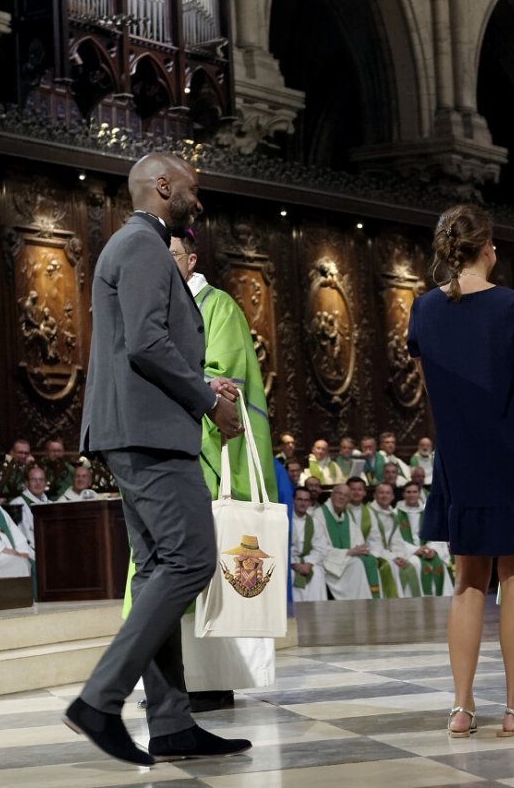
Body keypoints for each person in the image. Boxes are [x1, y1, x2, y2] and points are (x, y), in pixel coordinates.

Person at [68, 152, 249, 766]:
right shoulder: (143, 246)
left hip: (138, 427)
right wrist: (206, 401)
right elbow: (147, 341)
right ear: (163, 186)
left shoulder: (136, 245)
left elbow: (141, 340)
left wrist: (201, 380)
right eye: (193, 186)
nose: (199, 195)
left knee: (156, 570)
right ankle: (100, 698)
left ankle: (171, 722)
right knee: (193, 560)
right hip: (149, 434)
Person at [408, 203, 514, 738]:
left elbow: (436, 386)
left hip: (461, 459)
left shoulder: (423, 311)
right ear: (490, 249)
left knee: (467, 585)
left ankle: (461, 708)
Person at [170, 229, 280, 712]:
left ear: (191, 260)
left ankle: (213, 680)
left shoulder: (217, 307)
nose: (162, 262)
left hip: (208, 454)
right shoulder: (158, 307)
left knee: (216, 563)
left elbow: (227, 383)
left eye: (171, 254)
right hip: (171, 450)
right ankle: (173, 681)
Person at [317, 483, 379, 599]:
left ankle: (370, 602)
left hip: (343, 559)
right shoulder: (319, 515)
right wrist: (348, 552)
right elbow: (320, 548)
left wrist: (360, 549)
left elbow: (357, 540)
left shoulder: (347, 515)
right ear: (331, 495)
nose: (341, 497)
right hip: (329, 561)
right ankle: (359, 603)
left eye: (345, 496)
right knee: (356, 564)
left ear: (348, 500)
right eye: (339, 493)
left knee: (369, 560)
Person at [397, 481, 451, 596]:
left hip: (427, 550)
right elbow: (395, 538)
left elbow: (436, 534)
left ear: (419, 494)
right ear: (403, 494)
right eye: (408, 492)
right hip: (409, 553)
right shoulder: (396, 514)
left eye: (415, 492)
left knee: (439, 563)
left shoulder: (427, 513)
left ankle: (441, 600)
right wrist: (414, 550)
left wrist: (432, 549)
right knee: (416, 564)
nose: (412, 495)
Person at [290, 486, 329, 602]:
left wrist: (309, 563)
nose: (303, 503)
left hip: (307, 562)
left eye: (306, 500)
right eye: (300, 499)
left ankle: (317, 614)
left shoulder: (315, 523)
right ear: (293, 500)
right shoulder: (285, 520)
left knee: (317, 574)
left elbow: (320, 548)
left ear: (310, 503)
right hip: (289, 563)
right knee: (291, 576)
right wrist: (294, 564)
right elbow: (279, 547)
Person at [8, 464, 50, 545]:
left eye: (41, 479)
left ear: (45, 483)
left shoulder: (50, 504)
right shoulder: (17, 504)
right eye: (34, 479)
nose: (38, 483)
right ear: (26, 483)